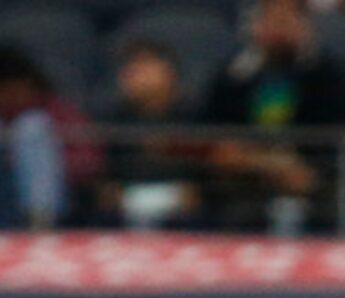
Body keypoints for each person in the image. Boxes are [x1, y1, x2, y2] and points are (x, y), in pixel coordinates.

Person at [201, 0, 345, 234]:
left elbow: (340, 133)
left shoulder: (329, 76)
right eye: (272, 20)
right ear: (255, 26)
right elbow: (216, 141)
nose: (279, 29)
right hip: (248, 180)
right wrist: (269, 165)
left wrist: (309, 171)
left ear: (304, 25)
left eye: (287, 20)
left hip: (313, 177)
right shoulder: (232, 78)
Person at [97, 40, 208, 230]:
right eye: (129, 67)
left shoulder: (197, 117)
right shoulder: (113, 121)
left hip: (186, 209)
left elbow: (210, 169)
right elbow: (105, 177)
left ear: (169, 72)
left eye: (143, 65)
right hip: (127, 206)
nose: (132, 74)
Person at [0, 46, 94, 230]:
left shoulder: (57, 112)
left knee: (32, 127)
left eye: (16, 88)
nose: (12, 96)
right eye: (4, 90)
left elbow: (89, 162)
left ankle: (40, 225)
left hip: (50, 202)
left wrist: (44, 160)